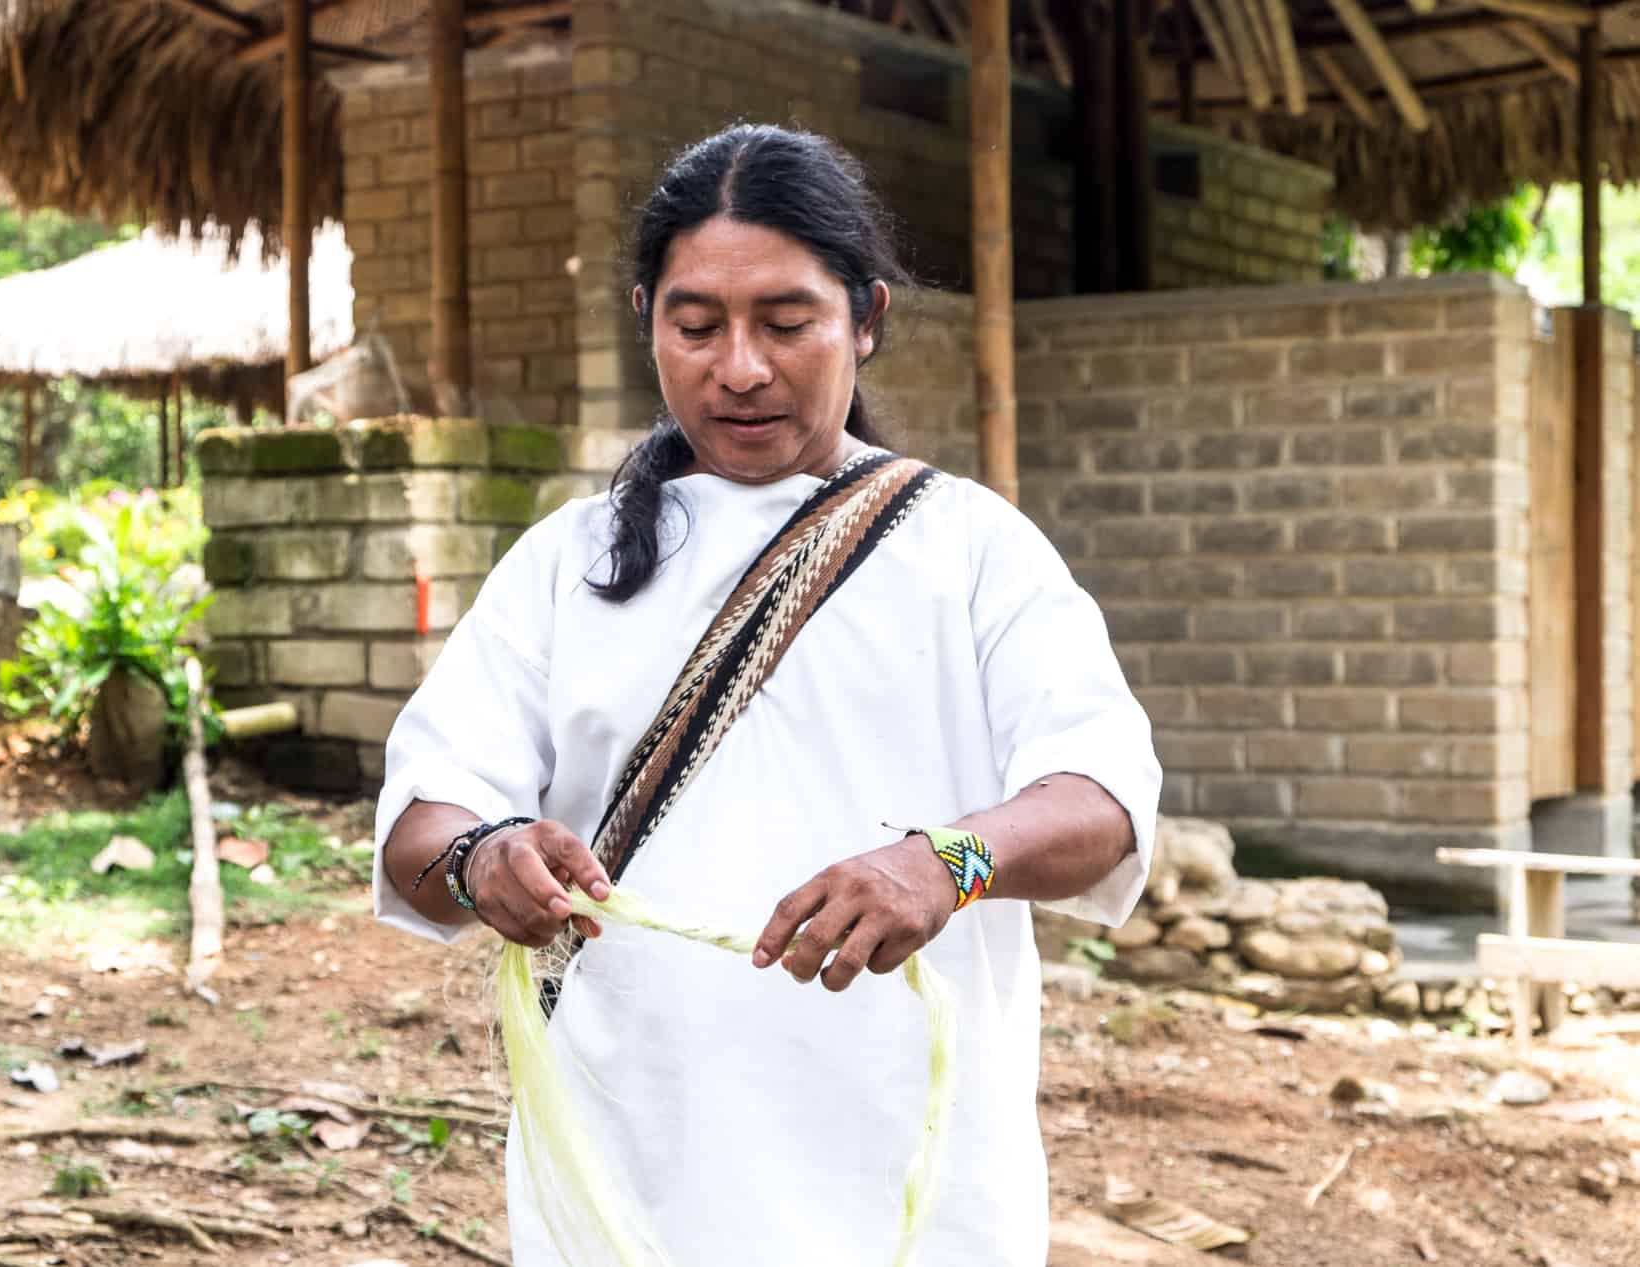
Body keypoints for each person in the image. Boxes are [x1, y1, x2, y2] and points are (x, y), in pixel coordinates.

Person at [373, 124, 1159, 1267]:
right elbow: (420, 821)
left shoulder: (973, 548)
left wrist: (946, 863)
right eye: (695, 326)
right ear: (649, 320)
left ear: (867, 320)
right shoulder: (567, 563)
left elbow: (1102, 801)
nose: (739, 366)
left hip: (910, 1187)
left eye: (786, 324)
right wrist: (481, 855)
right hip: (628, 1164)